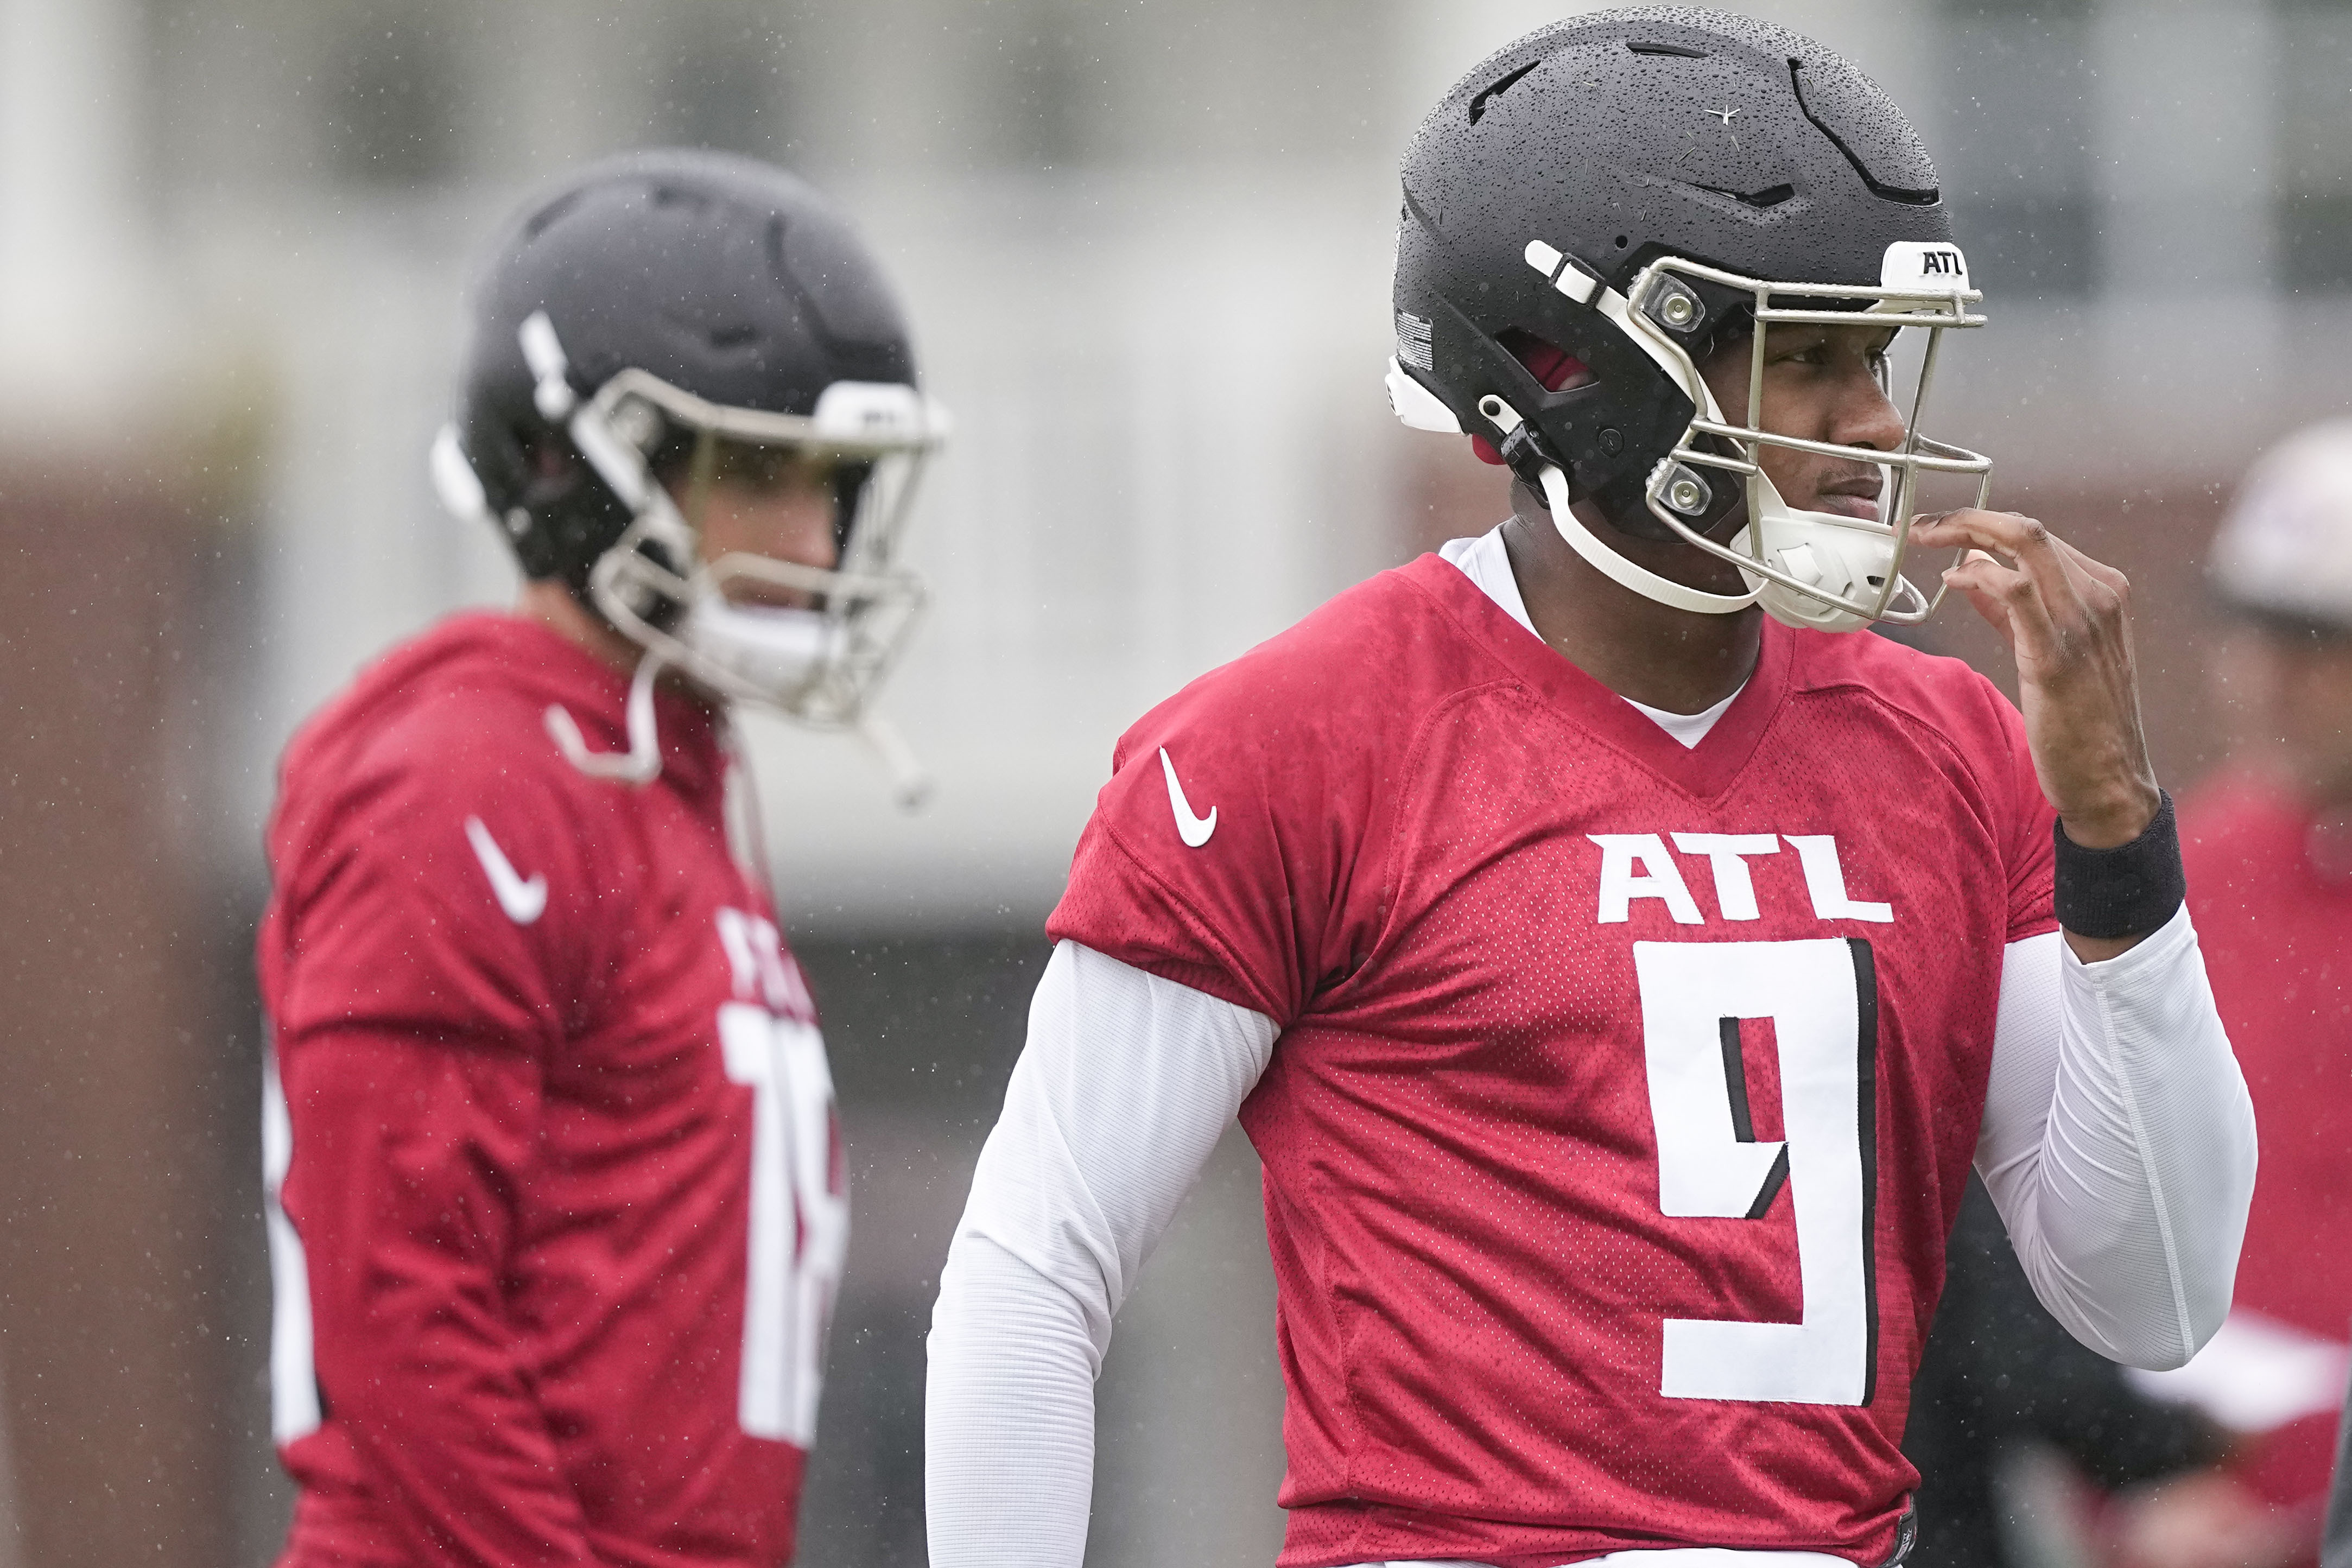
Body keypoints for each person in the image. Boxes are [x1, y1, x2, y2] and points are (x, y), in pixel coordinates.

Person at [924, 10, 2257, 1568]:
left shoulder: (1946, 744)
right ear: (1573, 369)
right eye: (1806, 358)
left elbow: (2151, 1289)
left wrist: (2112, 837)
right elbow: (1034, 1266)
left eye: (1872, 360)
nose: (1876, 423)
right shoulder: (1297, 741)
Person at [258, 149, 948, 1567]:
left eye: (837, 483)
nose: (817, 539)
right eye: (761, 469)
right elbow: (402, 1304)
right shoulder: (467, 780)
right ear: (574, 463)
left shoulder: (651, 770)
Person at [2123, 420, 2352, 1563]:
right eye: (2253, 627)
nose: (2268, 674)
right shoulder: (2180, 881)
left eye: (2319, 639)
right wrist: (2133, 1482)